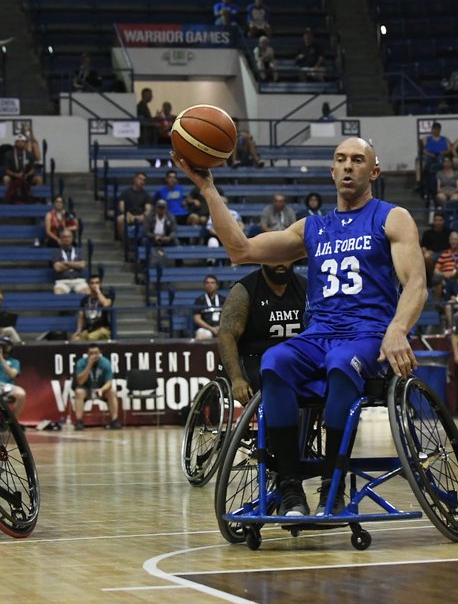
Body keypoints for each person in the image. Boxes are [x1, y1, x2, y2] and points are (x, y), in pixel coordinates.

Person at [173, 136, 424, 518]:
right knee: (274, 362)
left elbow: (416, 285)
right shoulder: (312, 227)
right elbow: (241, 249)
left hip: (368, 334)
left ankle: (331, 484)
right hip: (317, 335)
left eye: (358, 160)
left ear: (373, 171)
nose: (348, 166)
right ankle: (290, 487)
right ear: (332, 170)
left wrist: (398, 329)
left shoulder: (392, 217)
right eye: (341, 159)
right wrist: (208, 189)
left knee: (342, 363)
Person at [217, 263, 307, 404]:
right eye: (275, 258)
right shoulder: (245, 289)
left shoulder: (305, 287)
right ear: (264, 259)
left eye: (286, 257)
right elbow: (226, 335)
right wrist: (237, 379)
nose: (281, 262)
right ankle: (280, 424)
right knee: (276, 381)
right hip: (255, 358)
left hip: (295, 356)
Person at [71, 345, 122, 430]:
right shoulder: (81, 363)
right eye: (91, 353)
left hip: (101, 389)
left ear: (100, 353)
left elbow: (109, 382)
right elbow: (80, 381)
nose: (94, 355)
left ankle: (114, 420)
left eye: (96, 353)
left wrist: (102, 389)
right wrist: (89, 365)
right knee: (78, 392)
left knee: (112, 392)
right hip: (86, 389)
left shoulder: (105, 363)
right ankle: (79, 421)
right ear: (87, 354)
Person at [74, 275, 114, 341]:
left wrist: (98, 291)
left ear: (100, 284)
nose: (95, 285)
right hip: (88, 329)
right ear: (89, 285)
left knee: (91, 337)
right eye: (92, 283)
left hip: (103, 329)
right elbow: (81, 316)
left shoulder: (107, 296)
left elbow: (106, 304)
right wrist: (78, 330)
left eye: (97, 283)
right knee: (76, 339)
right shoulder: (84, 300)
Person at [116, 172, 153, 241]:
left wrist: (143, 216)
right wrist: (129, 215)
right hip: (129, 216)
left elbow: (148, 209)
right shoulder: (126, 192)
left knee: (150, 220)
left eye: (143, 180)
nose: (142, 181)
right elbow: (121, 207)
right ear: (135, 179)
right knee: (120, 219)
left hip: (141, 217)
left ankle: (145, 241)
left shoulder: (146, 195)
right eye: (140, 179)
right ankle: (124, 242)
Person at [51, 230, 89, 295]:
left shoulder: (79, 251)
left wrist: (66, 263)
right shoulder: (56, 252)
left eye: (69, 237)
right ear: (60, 239)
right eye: (64, 237)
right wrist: (75, 264)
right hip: (62, 281)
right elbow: (57, 268)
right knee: (58, 293)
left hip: (78, 280)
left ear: (72, 238)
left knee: (87, 292)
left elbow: (82, 265)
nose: (67, 239)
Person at [193, 275, 224, 341]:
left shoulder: (223, 300)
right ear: (204, 285)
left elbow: (229, 317)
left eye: (212, 283)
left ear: (217, 285)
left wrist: (221, 328)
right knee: (201, 336)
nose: (210, 285)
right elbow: (197, 319)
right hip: (206, 329)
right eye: (207, 283)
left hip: (222, 328)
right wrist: (211, 329)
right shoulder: (200, 300)